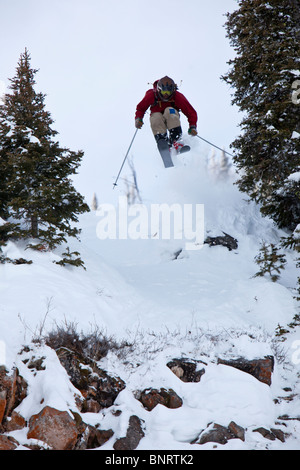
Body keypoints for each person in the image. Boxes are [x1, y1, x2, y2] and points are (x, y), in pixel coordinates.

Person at [135, 76, 198, 167]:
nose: (166, 95)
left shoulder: (177, 96)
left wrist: (192, 126)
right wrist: (138, 119)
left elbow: (191, 112)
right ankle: (163, 143)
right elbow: (140, 108)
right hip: (157, 118)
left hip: (171, 116)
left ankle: (177, 141)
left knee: (169, 111)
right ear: (159, 90)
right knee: (156, 116)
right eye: (164, 92)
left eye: (168, 92)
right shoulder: (151, 95)